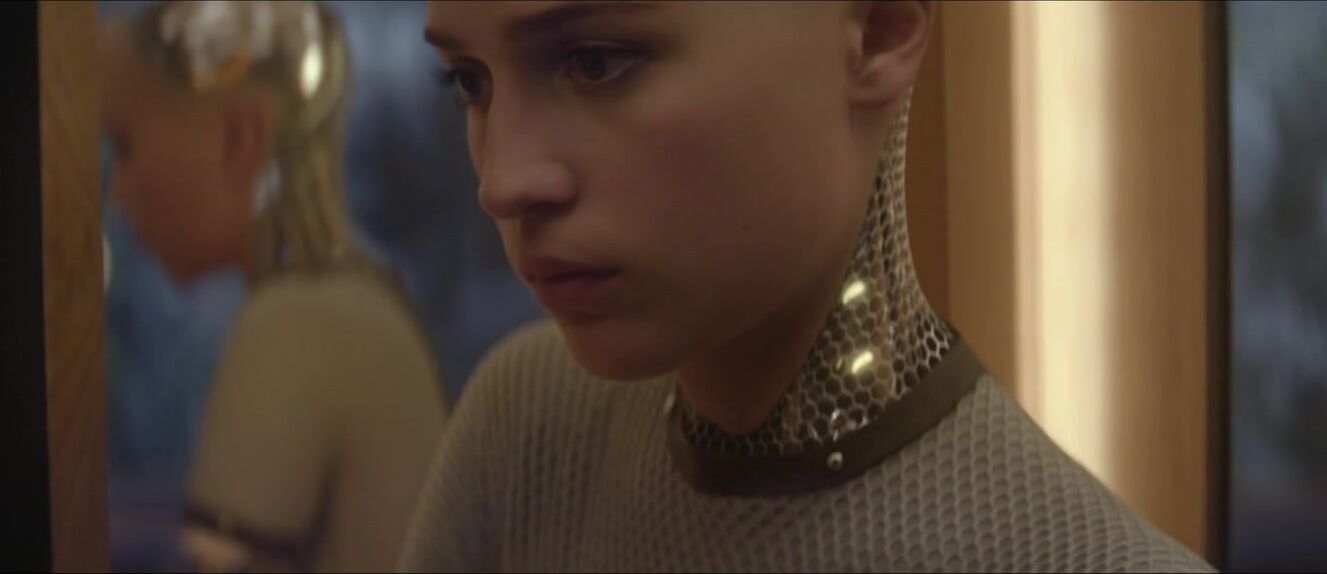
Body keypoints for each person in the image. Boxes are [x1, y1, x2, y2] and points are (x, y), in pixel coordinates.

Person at [400, 1, 1214, 572]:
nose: (502, 181)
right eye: (470, 81)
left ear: (879, 29)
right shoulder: (529, 434)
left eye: (596, 62)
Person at [101, 2, 446, 570]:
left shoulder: (298, 323)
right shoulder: (347, 300)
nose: (118, 192)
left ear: (239, 138)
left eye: (125, 144)